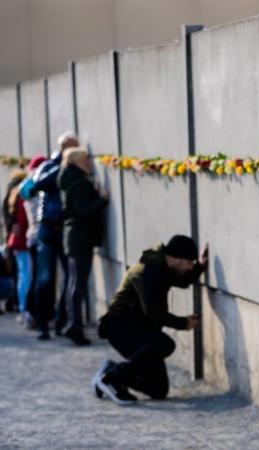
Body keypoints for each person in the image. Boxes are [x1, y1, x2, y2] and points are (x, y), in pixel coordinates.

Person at [94, 235, 207, 405]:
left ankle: (110, 370)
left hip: (139, 328)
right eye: (189, 263)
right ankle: (112, 378)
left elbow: (182, 280)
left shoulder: (163, 265)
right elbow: (153, 313)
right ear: (177, 259)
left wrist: (200, 265)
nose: (190, 267)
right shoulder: (151, 271)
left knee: (158, 389)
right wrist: (184, 323)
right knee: (165, 344)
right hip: (119, 326)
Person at [22, 132, 78, 340]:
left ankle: (60, 321)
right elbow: (35, 187)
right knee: (46, 277)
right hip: (48, 226)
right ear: (65, 148)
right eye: (74, 147)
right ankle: (43, 322)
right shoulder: (51, 165)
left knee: (66, 276)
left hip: (60, 226)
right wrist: (61, 169)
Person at [58, 147, 109, 345]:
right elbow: (83, 211)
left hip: (74, 236)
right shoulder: (77, 183)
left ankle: (72, 324)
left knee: (74, 283)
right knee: (77, 284)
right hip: (80, 238)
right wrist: (102, 201)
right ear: (78, 161)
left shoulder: (71, 179)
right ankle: (74, 326)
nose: (89, 162)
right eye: (86, 159)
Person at [21, 155, 48, 328]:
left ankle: (31, 313)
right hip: (38, 235)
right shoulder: (33, 186)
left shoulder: (26, 185)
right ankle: (33, 314)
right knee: (39, 278)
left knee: (35, 277)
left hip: (32, 235)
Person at [5, 170, 32, 325]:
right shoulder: (21, 197)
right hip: (21, 242)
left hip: (16, 241)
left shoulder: (14, 194)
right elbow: (22, 222)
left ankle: (22, 307)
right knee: (26, 276)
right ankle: (24, 308)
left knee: (23, 275)